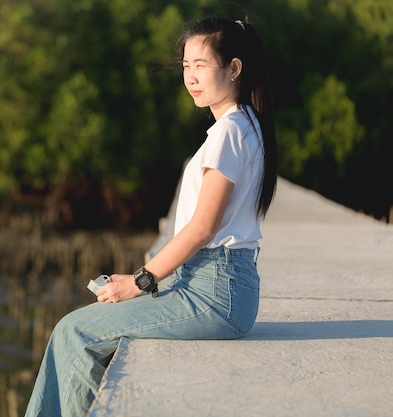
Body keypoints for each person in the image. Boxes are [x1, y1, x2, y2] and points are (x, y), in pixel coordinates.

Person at [24, 15, 278, 417]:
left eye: (201, 65)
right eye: (185, 67)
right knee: (87, 326)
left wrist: (140, 281)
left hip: (215, 293)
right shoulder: (248, 125)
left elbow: (202, 227)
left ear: (234, 68)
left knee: (74, 332)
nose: (191, 77)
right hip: (222, 285)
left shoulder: (229, 132)